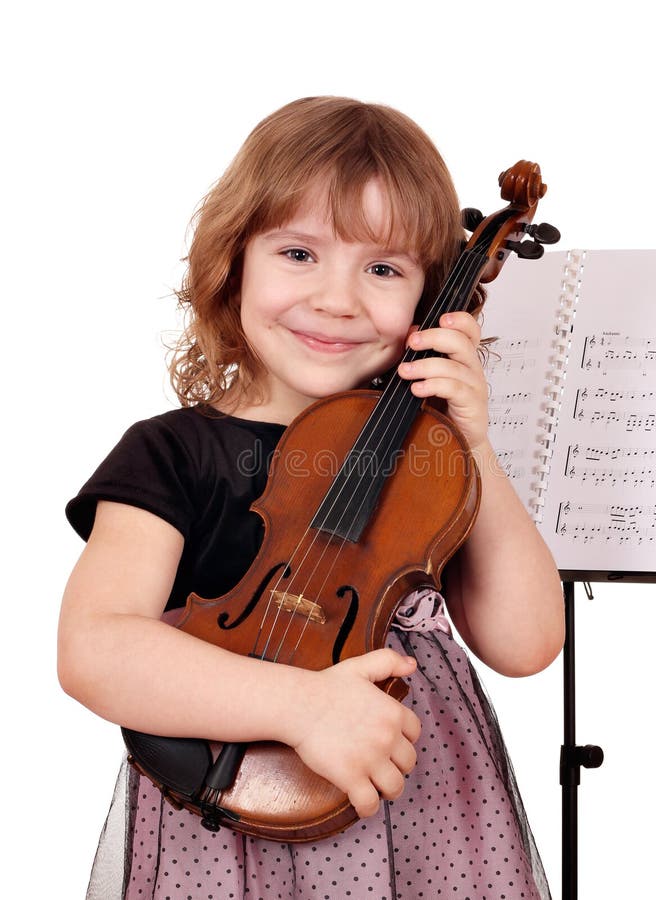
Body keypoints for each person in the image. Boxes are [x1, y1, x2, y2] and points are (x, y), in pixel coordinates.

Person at [59, 96, 565, 900]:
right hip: (234, 836)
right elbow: (94, 648)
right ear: (233, 263)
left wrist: (470, 441)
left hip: (422, 819)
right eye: (299, 254)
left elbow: (527, 640)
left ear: (433, 301)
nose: (338, 299)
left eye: (384, 269)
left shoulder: (427, 463)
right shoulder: (172, 453)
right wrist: (301, 707)